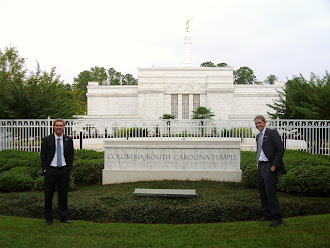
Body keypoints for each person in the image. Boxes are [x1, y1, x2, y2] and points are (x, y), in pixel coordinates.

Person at [254, 115, 286, 227]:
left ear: (264, 122)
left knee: (270, 192)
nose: (258, 125)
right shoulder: (258, 136)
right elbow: (260, 151)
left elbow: (280, 149)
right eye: (256, 124)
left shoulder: (272, 133)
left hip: (269, 166)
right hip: (261, 166)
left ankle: (277, 218)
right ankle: (266, 215)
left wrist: (275, 165)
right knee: (263, 192)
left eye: (259, 123)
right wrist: (258, 163)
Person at [41, 118, 74, 225]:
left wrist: (68, 168)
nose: (59, 127)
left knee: (63, 195)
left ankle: (63, 217)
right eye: (57, 125)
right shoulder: (47, 139)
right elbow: (43, 155)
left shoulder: (68, 140)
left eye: (61, 125)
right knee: (48, 195)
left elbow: (71, 155)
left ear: (64, 127)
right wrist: (45, 168)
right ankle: (48, 218)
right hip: (51, 170)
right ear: (54, 127)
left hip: (64, 171)